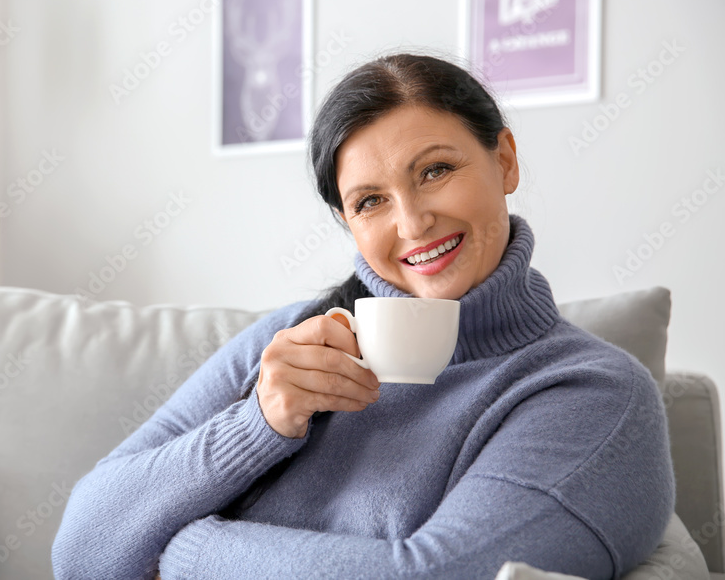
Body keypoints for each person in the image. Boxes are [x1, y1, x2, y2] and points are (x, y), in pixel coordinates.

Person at [51, 53, 675, 579]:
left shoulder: (592, 393)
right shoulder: (289, 343)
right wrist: (259, 425)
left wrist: (179, 551)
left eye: (436, 170)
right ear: (347, 222)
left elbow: (433, 574)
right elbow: (81, 550)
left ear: (505, 160)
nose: (411, 222)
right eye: (371, 200)